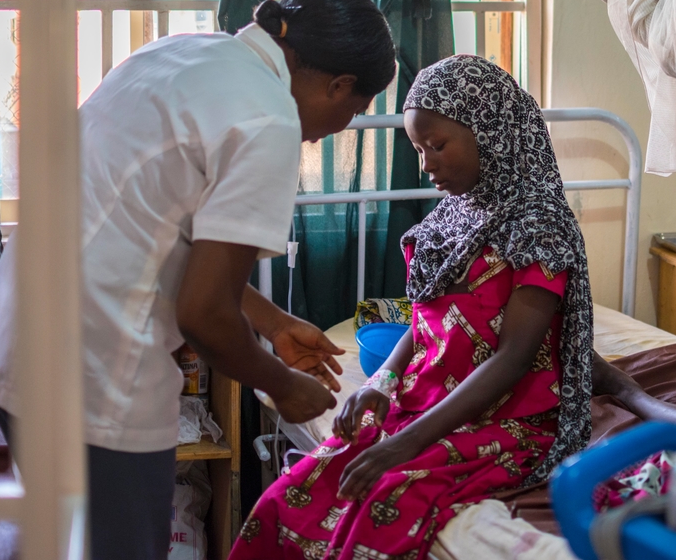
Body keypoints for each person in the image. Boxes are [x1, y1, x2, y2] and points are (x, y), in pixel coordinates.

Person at [0, 0, 396, 560]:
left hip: (13, 336)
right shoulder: (267, 119)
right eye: (354, 110)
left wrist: (271, 323)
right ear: (339, 84)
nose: (340, 128)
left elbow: (156, 231)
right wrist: (282, 387)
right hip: (93, 373)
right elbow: (203, 314)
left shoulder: (179, 53)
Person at [230, 54, 597, 560]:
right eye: (418, 149)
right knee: (290, 495)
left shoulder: (539, 226)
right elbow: (424, 319)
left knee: (381, 504)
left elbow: (513, 358)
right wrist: (383, 380)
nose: (426, 165)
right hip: (427, 399)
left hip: (505, 420)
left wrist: (402, 445)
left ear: (490, 131)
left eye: (438, 146)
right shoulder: (459, 211)